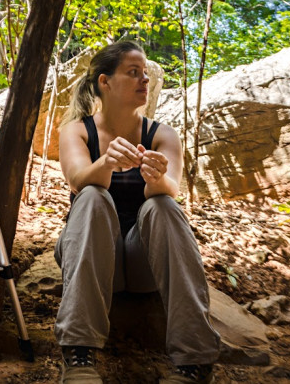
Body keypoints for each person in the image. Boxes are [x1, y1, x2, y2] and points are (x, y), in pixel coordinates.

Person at [54, 40, 221, 384]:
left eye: (145, 73)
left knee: (162, 205)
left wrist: (157, 179)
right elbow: (77, 180)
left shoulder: (162, 135)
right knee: (93, 197)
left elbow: (171, 190)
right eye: (133, 73)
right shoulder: (75, 130)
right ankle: (79, 355)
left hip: (144, 261)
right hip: (96, 259)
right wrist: (107, 162)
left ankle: (195, 362)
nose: (145, 80)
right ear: (105, 82)